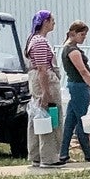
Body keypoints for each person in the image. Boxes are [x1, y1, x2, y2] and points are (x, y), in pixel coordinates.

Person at [25, 11, 62, 169]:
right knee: (50, 116)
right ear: (45, 21)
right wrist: (46, 92)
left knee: (38, 116)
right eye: (52, 20)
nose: (54, 22)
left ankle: (36, 155)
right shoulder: (40, 41)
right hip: (45, 81)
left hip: (38, 80)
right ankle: (49, 157)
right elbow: (42, 69)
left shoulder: (33, 39)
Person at [58, 20, 90, 163]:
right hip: (80, 87)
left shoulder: (67, 48)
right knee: (83, 120)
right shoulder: (73, 50)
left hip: (74, 86)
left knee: (70, 122)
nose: (84, 37)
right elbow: (83, 71)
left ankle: (63, 153)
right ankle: (88, 153)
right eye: (82, 34)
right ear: (73, 33)